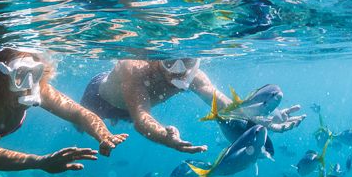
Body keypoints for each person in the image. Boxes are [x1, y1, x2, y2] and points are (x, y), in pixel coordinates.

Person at [0, 48, 127, 173]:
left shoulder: (33, 86)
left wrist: (102, 134)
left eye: (35, 72)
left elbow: (78, 112)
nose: (30, 86)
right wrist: (38, 161)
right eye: (20, 75)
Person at [80, 58, 303, 153]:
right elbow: (141, 117)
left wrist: (261, 116)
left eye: (187, 62)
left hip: (127, 108)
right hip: (99, 100)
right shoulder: (135, 69)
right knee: (80, 126)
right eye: (170, 62)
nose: (179, 70)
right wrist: (164, 137)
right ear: (158, 58)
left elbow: (224, 105)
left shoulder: (194, 76)